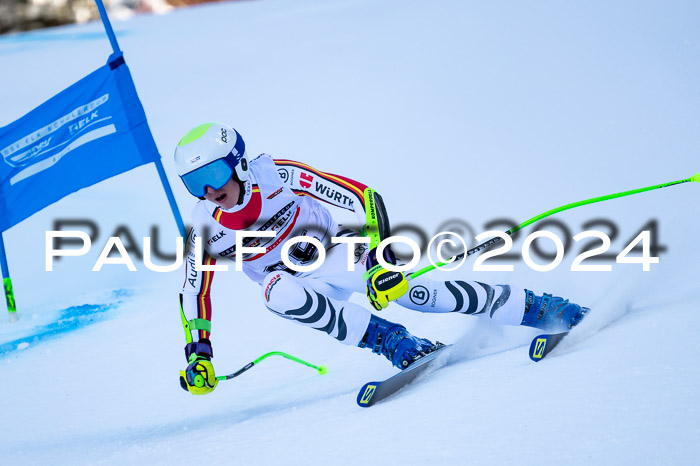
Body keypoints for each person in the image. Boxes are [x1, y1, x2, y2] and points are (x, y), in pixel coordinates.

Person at [175, 123, 589, 395]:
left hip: (335, 253)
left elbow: (362, 196)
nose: (208, 191)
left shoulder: (278, 174)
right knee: (275, 292)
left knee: (419, 294)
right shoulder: (206, 223)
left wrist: (379, 262)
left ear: (239, 164)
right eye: (194, 183)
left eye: (212, 175)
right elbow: (194, 290)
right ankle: (396, 342)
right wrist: (199, 352)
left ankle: (545, 308)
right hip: (296, 283)